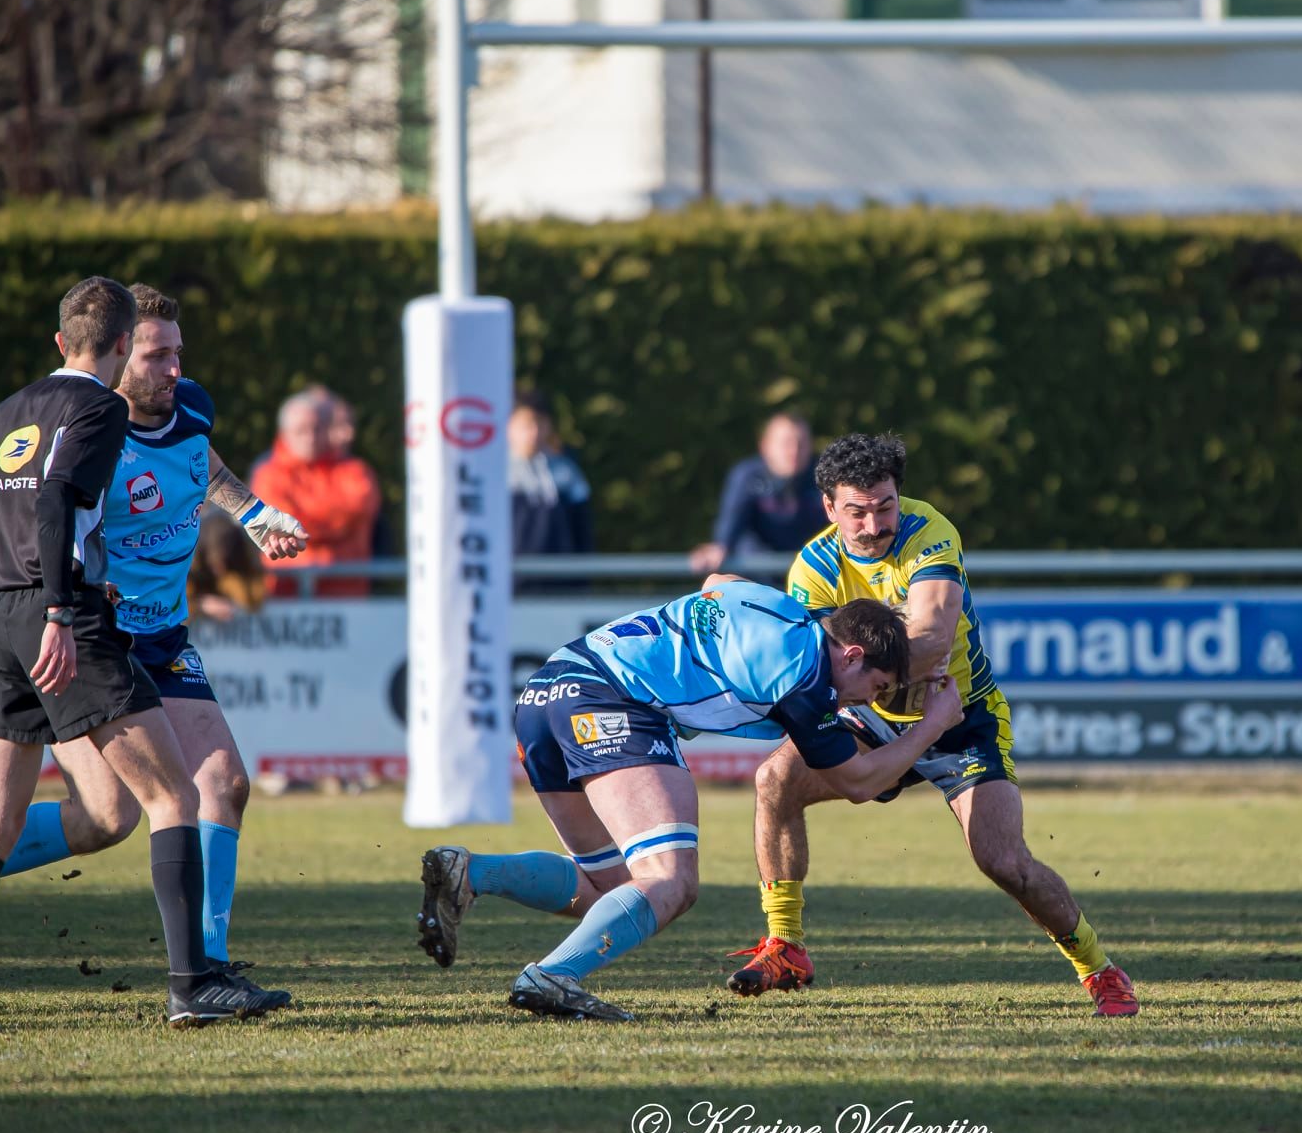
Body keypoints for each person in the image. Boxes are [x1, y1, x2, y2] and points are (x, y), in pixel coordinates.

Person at [0, 278, 284, 1035]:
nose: (172, 369)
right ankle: (191, 982)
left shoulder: (14, 411)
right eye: (155, 354)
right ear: (117, 349)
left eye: (178, 354)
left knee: (202, 788)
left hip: (52, 622)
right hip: (82, 627)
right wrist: (65, 596)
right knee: (142, 806)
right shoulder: (97, 415)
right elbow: (55, 505)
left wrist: (251, 513)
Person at [413, 579, 965, 1021]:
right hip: (612, 701)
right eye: (875, 686)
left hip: (544, 693)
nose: (868, 700)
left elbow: (715, 581)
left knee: (609, 888)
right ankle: (552, 976)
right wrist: (932, 723)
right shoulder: (806, 679)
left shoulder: (777, 604)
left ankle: (472, 873)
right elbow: (860, 782)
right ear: (850, 655)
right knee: (671, 881)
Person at [725, 433, 1140, 1018]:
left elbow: (932, 646)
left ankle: (1100, 971)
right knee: (775, 780)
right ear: (828, 508)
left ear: (901, 495)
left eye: (885, 506)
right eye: (857, 512)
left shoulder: (930, 533)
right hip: (872, 716)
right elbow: (826, 671)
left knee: (1004, 862)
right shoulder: (813, 569)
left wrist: (842, 673)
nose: (874, 524)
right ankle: (786, 945)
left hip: (962, 719)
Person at [249, 389, 382, 597]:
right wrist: (334, 520)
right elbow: (279, 525)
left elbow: (360, 507)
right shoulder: (267, 475)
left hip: (348, 598)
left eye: (317, 429)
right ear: (284, 433)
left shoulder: (356, 471)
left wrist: (303, 522)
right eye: (301, 430)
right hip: (285, 596)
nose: (310, 437)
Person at [689, 413, 825, 575]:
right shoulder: (747, 476)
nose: (794, 451)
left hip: (811, 574)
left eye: (801, 443)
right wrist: (719, 546)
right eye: (786, 443)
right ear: (765, 446)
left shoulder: (823, 477)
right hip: (759, 577)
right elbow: (731, 524)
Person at [509, 396, 593, 566]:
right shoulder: (494, 475)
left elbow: (582, 531)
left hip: (559, 579)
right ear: (509, 426)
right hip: (510, 582)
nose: (534, 432)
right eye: (526, 425)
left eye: (540, 424)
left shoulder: (566, 471)